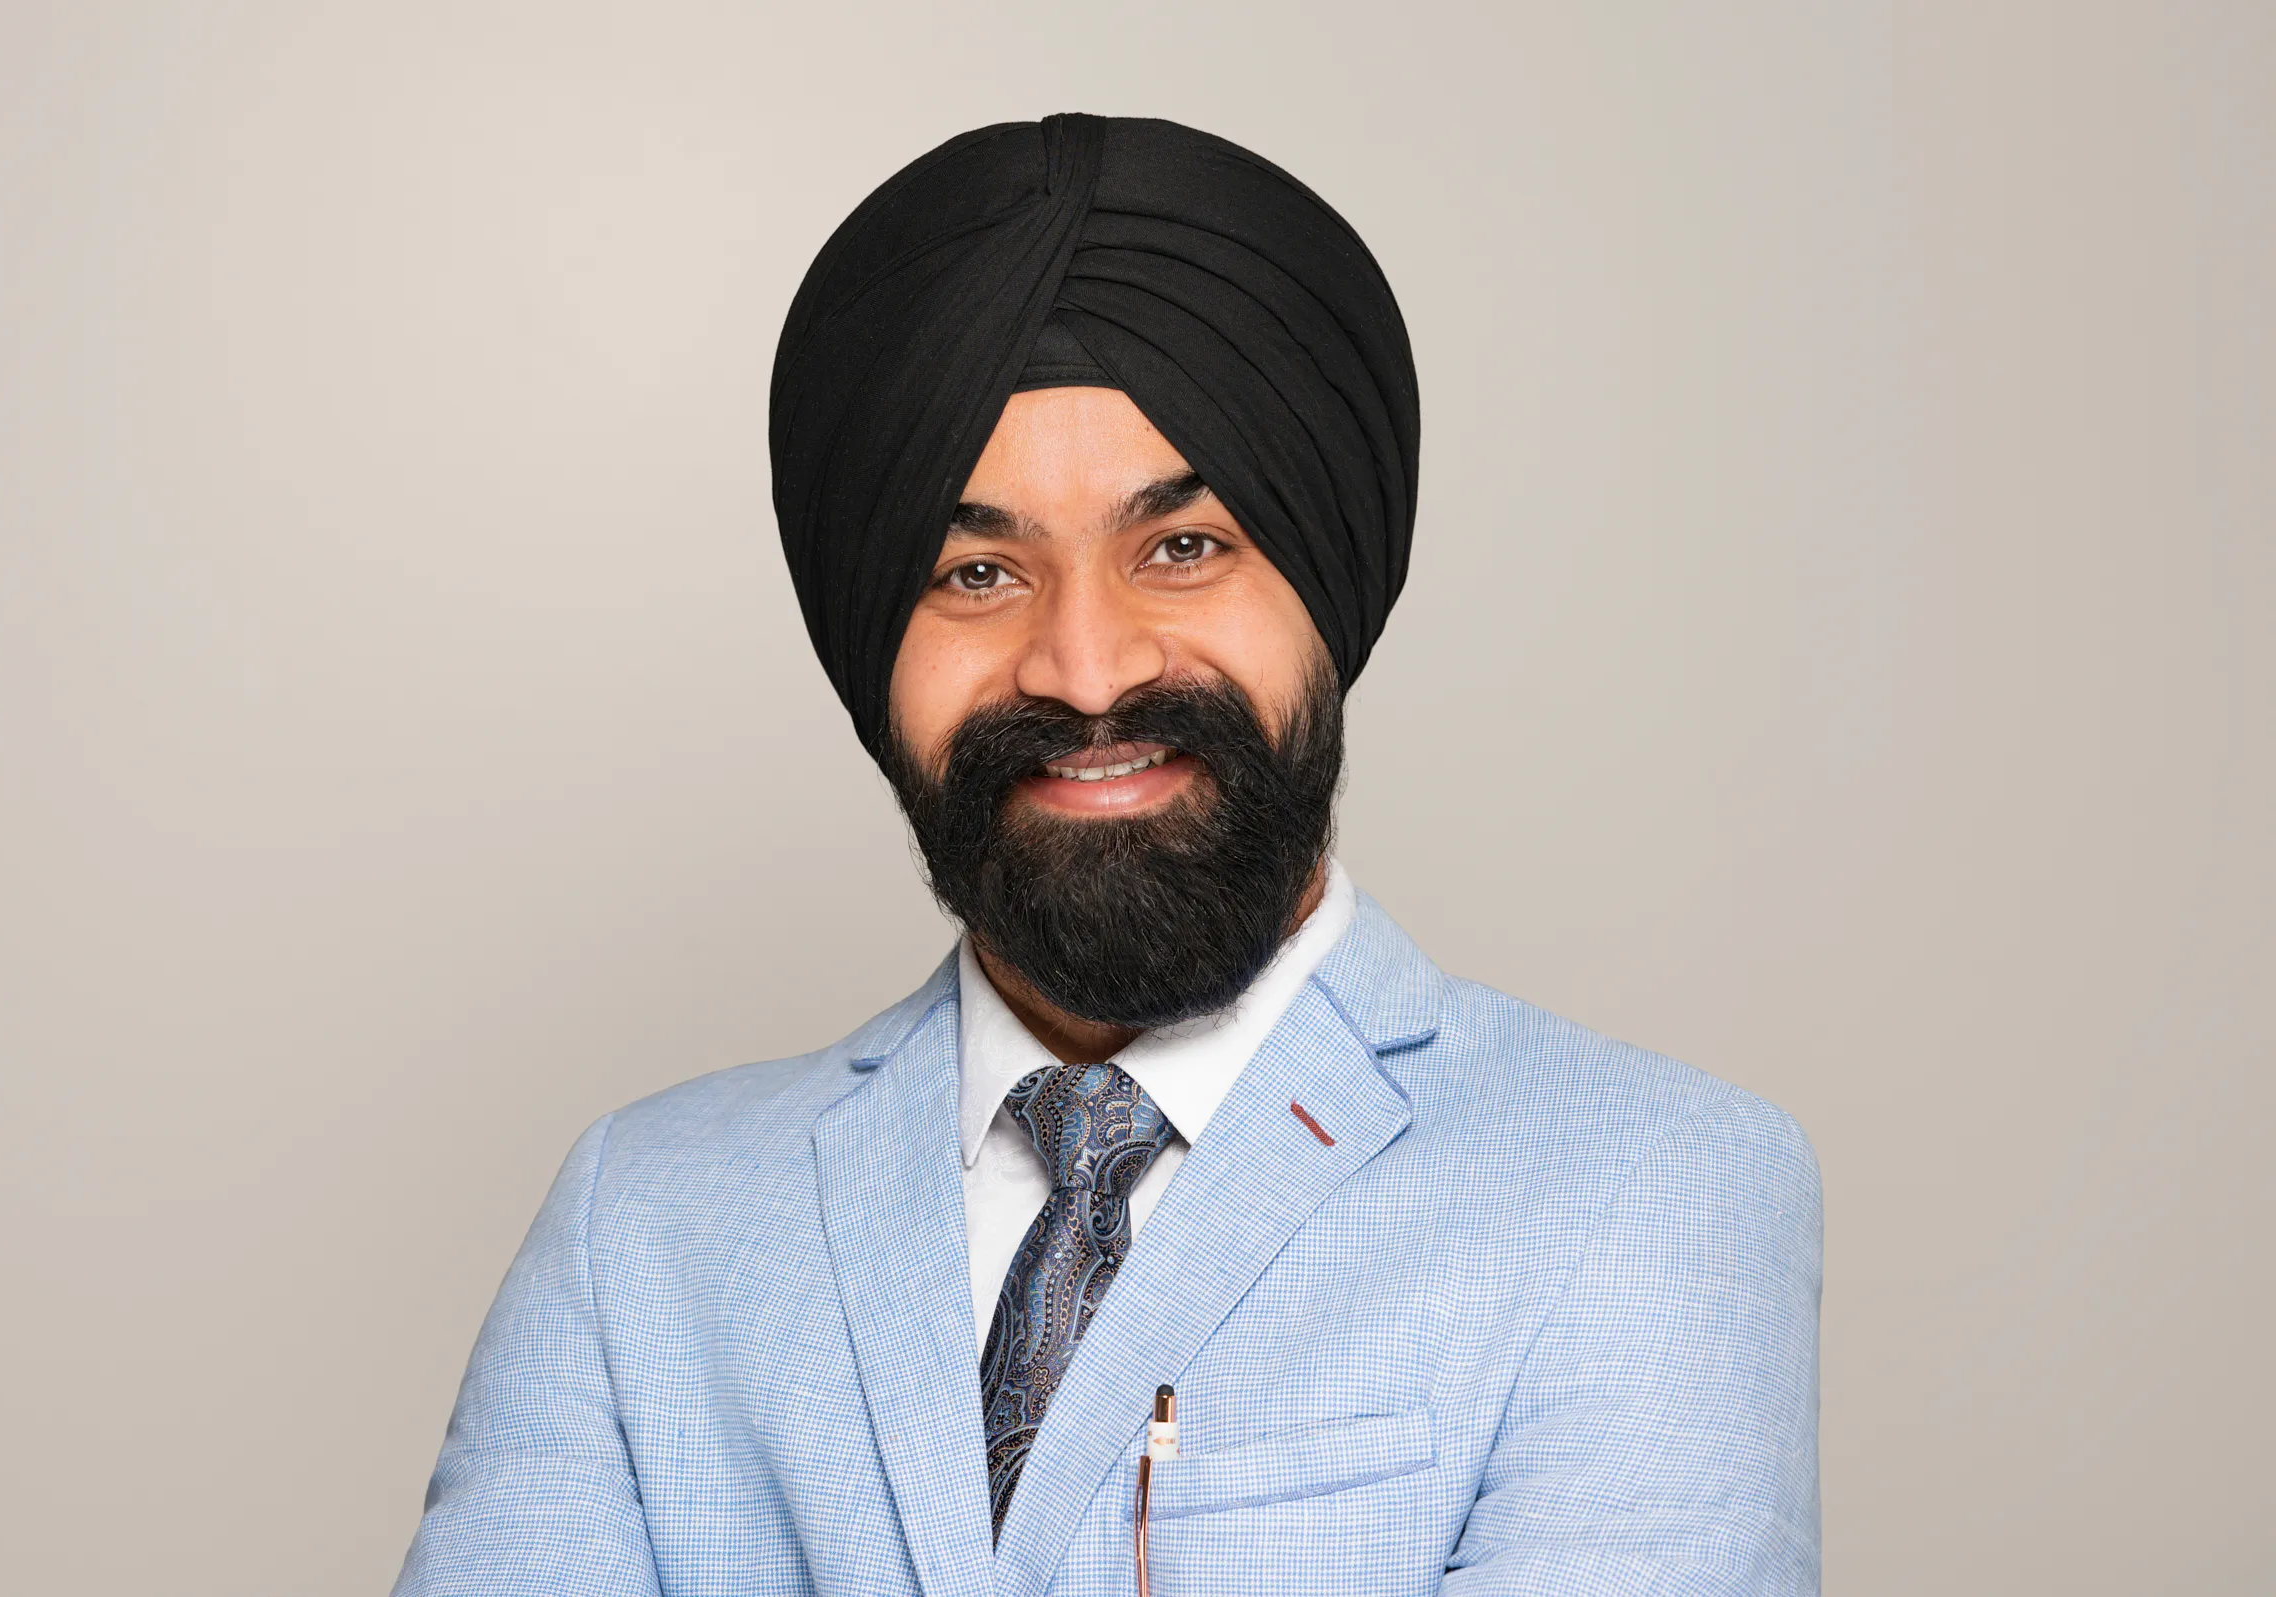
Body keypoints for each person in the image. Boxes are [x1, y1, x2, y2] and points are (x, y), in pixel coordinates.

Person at [395, 114, 1821, 1597]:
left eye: (1183, 548)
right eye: (979, 572)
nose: (1084, 669)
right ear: (871, 647)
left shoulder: (1647, 1194)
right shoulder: (646, 1226)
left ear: (1326, 591)